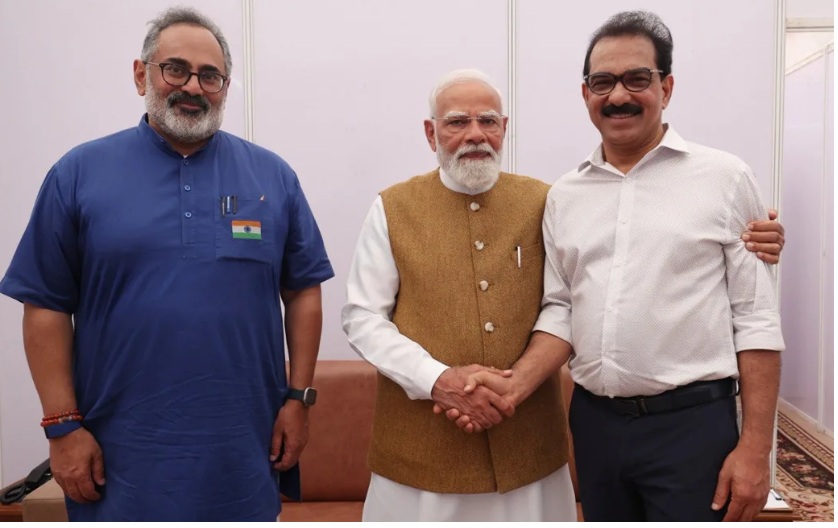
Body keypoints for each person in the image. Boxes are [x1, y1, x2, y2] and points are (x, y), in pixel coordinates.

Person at [341, 68, 783, 522]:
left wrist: (754, 232)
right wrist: (436, 379)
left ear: (504, 128)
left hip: (529, 446)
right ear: (431, 132)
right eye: (457, 122)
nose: (475, 134)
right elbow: (362, 317)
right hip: (420, 447)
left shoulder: (548, 200)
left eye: (488, 120)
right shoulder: (391, 208)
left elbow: (580, 288)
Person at [0, 7, 333, 522]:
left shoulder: (273, 177)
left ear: (225, 87)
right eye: (175, 69)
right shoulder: (78, 174)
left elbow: (304, 288)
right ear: (142, 75)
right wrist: (62, 426)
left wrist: (298, 399)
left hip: (243, 447)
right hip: (119, 452)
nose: (193, 87)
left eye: (210, 75)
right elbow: (44, 304)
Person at [458, 11, 785, 523]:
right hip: (595, 426)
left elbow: (756, 319)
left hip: (692, 428)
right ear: (585, 93)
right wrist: (514, 383)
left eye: (637, 79)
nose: (618, 96)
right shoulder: (565, 195)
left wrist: (757, 449)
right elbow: (562, 307)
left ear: (666, 87)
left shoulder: (724, 178)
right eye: (602, 82)